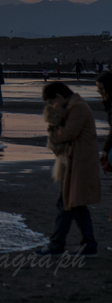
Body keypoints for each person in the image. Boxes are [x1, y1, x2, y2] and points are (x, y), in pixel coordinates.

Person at [38, 81, 100, 255]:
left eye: (51, 102)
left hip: (79, 163)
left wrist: (52, 137)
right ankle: (87, 244)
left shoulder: (77, 108)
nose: (52, 106)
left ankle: (58, 245)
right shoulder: (75, 105)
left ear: (58, 96)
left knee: (68, 203)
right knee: (74, 204)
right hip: (75, 162)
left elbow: (69, 132)